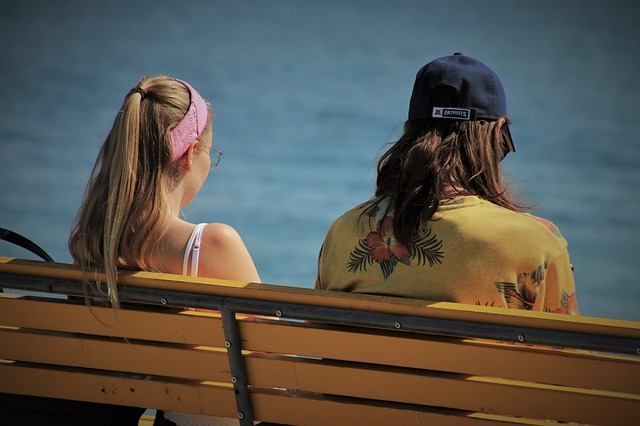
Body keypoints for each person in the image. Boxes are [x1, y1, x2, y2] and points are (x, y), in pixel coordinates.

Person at [315, 53, 578, 315]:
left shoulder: (343, 232)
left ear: (408, 131)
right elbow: (564, 353)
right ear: (497, 133)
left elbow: (317, 334)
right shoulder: (537, 243)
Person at [67, 76, 261, 425]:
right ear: (188, 156)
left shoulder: (94, 242)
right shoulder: (211, 245)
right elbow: (271, 364)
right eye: (210, 155)